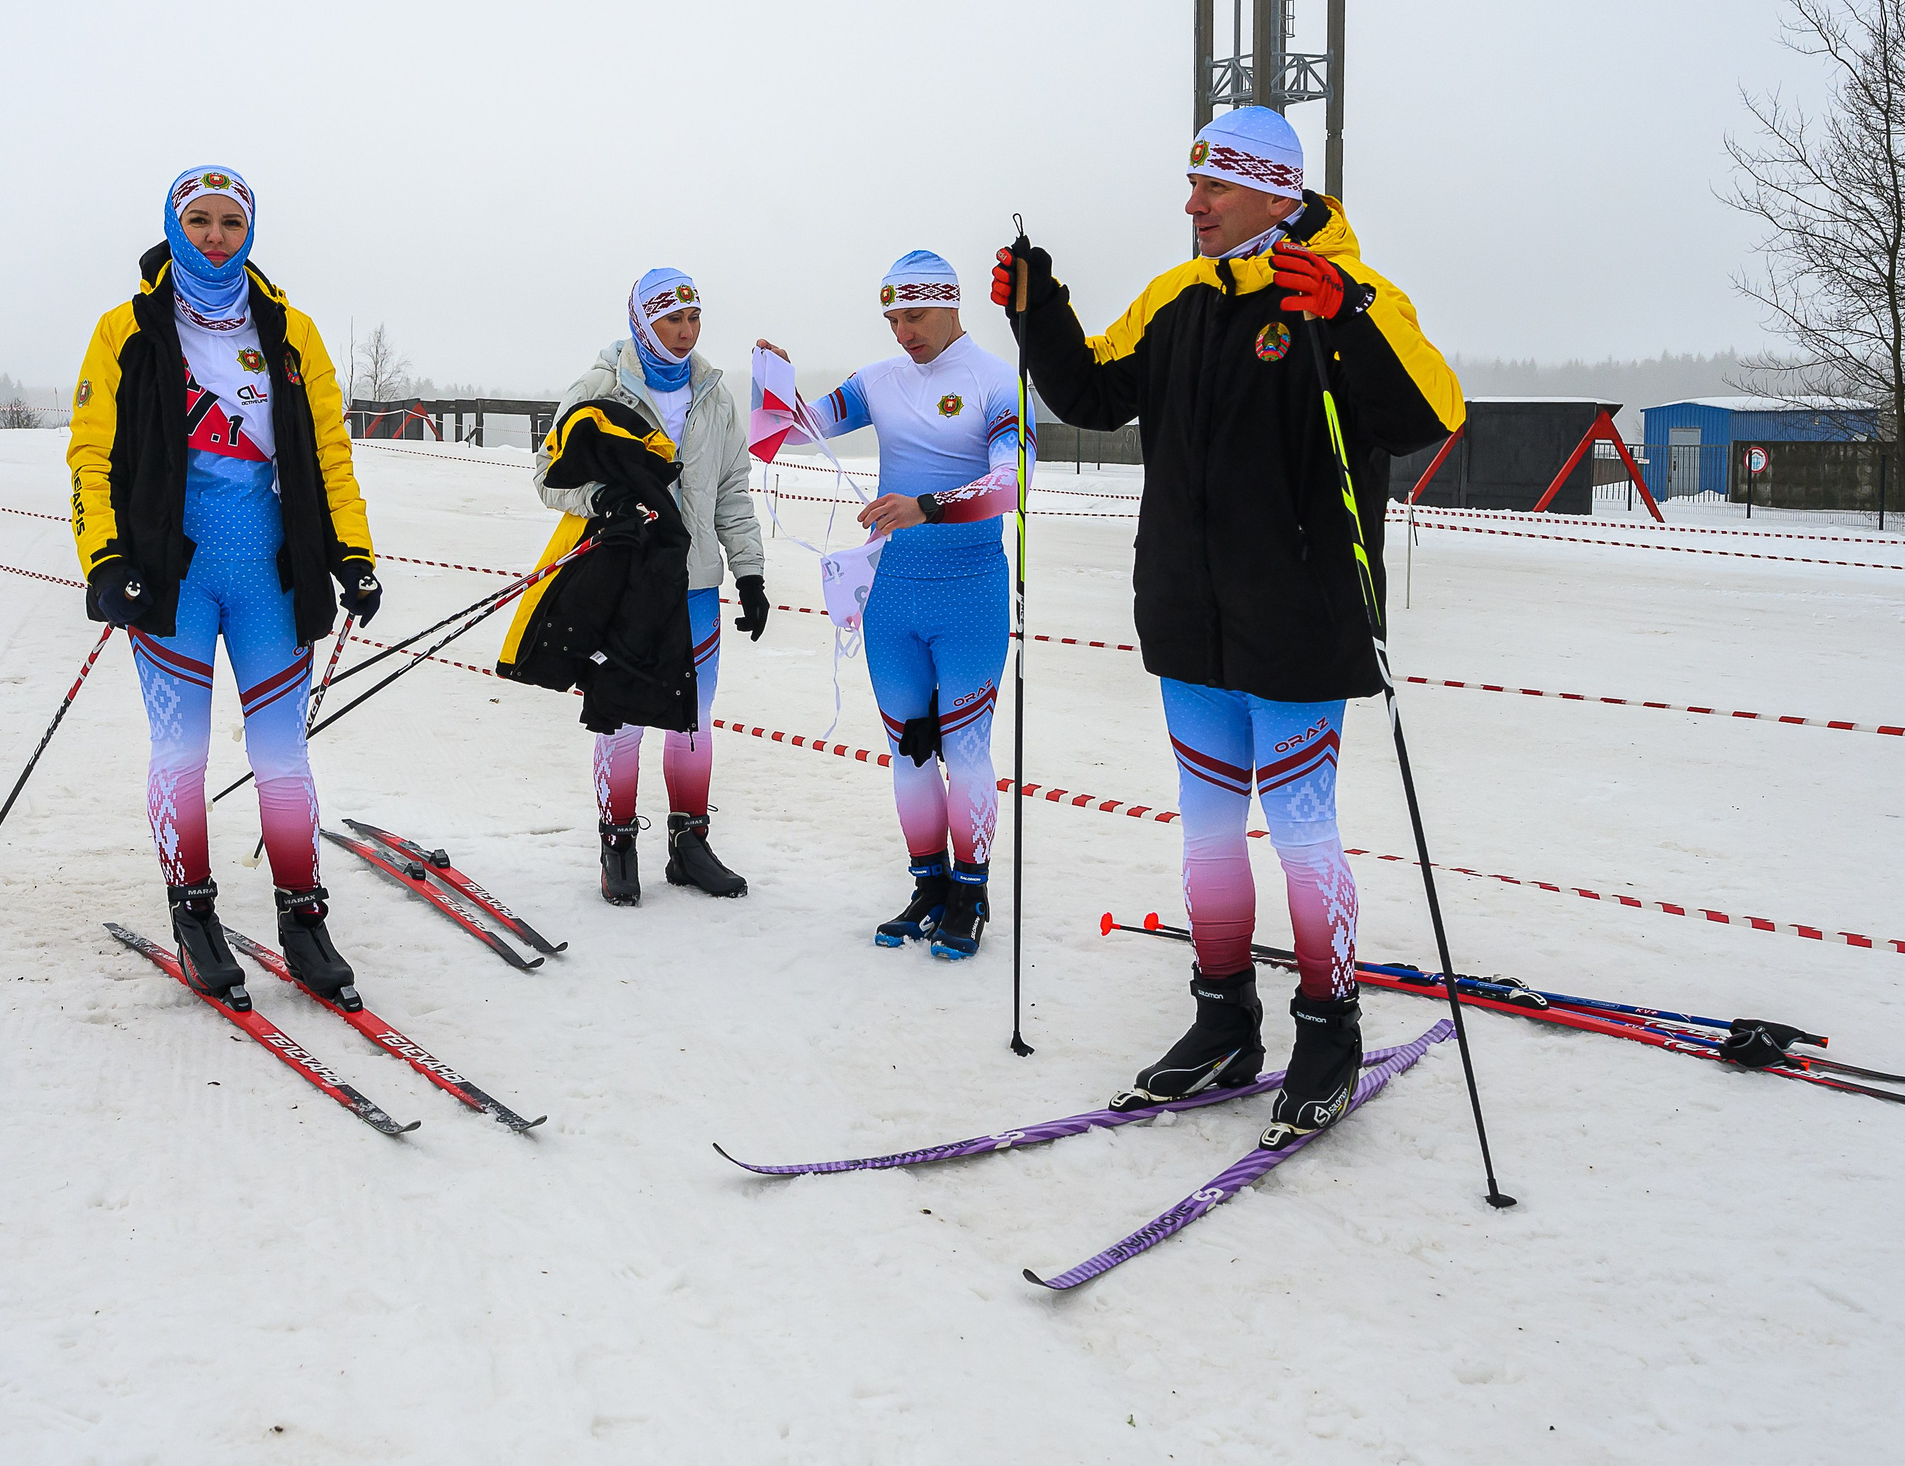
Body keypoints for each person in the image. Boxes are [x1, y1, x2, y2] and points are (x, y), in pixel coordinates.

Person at [994, 104, 1464, 1147]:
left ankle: (1327, 1029)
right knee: (1207, 828)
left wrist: (1343, 314)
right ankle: (1223, 1020)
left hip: (1297, 623)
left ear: (1273, 192)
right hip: (1188, 616)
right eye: (1193, 182)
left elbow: (1432, 412)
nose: (1191, 203)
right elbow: (1091, 394)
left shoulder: (1340, 293)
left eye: (1211, 185)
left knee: (1299, 831)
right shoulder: (1179, 296)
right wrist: (1040, 307)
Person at [66, 166, 381, 1011]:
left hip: (270, 575)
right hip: (173, 578)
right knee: (184, 752)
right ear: (174, 227)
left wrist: (352, 552)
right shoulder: (126, 329)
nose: (214, 237)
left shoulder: (290, 333)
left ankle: (303, 916)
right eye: (198, 221)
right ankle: (194, 910)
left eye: (229, 223)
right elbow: (91, 458)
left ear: (250, 232)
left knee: (282, 753)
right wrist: (105, 558)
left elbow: (328, 454)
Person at [755, 251, 1030, 960]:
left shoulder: (996, 381)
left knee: (966, 751)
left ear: (951, 305)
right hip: (891, 596)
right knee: (908, 753)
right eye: (892, 318)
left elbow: (1011, 482)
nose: (902, 330)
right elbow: (776, 438)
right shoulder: (876, 381)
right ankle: (929, 885)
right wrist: (772, 383)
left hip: (969, 592)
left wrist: (926, 506)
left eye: (914, 315)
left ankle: (971, 891)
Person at [528, 268, 767, 905]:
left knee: (693, 719)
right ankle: (618, 844)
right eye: (671, 320)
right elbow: (549, 477)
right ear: (641, 321)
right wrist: (603, 496)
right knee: (622, 721)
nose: (685, 333)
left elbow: (731, 492)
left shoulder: (715, 395)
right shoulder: (599, 386)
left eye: (693, 320)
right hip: (625, 584)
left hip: (694, 587)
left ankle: (690, 844)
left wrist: (749, 573)